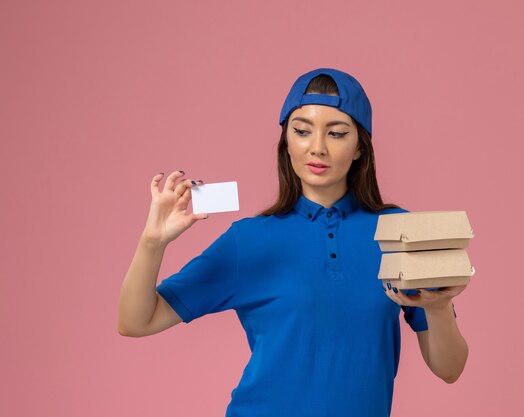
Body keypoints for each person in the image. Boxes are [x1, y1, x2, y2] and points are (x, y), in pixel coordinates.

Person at [117, 68, 469, 417]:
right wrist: (153, 242)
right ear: (286, 141)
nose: (317, 148)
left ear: (360, 147)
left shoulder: (399, 233)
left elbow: (449, 369)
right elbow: (136, 322)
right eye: (302, 131)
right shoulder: (250, 240)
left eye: (336, 133)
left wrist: (437, 308)